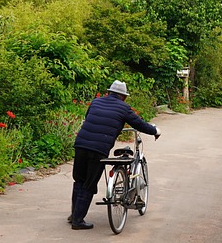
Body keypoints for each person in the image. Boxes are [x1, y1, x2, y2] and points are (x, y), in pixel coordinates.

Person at [68, 80, 160, 229]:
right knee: (89, 184)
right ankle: (78, 221)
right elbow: (139, 124)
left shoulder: (96, 102)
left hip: (80, 144)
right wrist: (155, 131)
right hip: (98, 149)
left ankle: (74, 215)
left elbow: (89, 116)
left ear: (109, 92)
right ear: (123, 96)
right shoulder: (124, 108)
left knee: (78, 180)